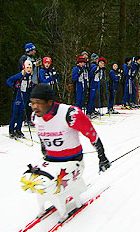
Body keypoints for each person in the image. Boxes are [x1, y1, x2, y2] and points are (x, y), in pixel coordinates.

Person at [21, 83, 111, 220]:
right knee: (29, 181)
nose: (34, 107)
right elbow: (42, 137)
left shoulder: (70, 114)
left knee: (49, 183)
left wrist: (102, 157)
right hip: (51, 161)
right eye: (32, 103)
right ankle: (45, 201)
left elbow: (92, 134)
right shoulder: (35, 117)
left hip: (73, 161)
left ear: (50, 102)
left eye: (38, 103)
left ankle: (65, 202)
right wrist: (45, 154)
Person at [6, 60, 34, 138]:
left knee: (21, 115)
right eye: (27, 67)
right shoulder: (19, 75)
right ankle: (11, 130)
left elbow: (29, 87)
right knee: (15, 114)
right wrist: (15, 85)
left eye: (30, 68)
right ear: (24, 68)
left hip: (24, 98)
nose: (29, 69)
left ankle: (18, 129)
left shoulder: (30, 76)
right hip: (17, 97)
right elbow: (8, 81)